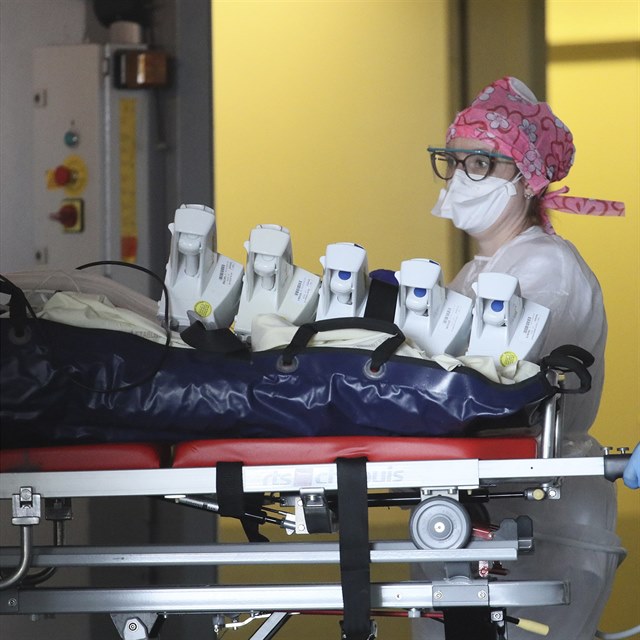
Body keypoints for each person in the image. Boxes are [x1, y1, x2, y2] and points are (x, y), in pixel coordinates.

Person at [412, 76, 626, 640]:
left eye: (481, 163)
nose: (462, 178)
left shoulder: (543, 267)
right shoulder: (482, 269)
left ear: (527, 179)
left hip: (539, 510)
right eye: (455, 161)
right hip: (490, 497)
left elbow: (500, 388)